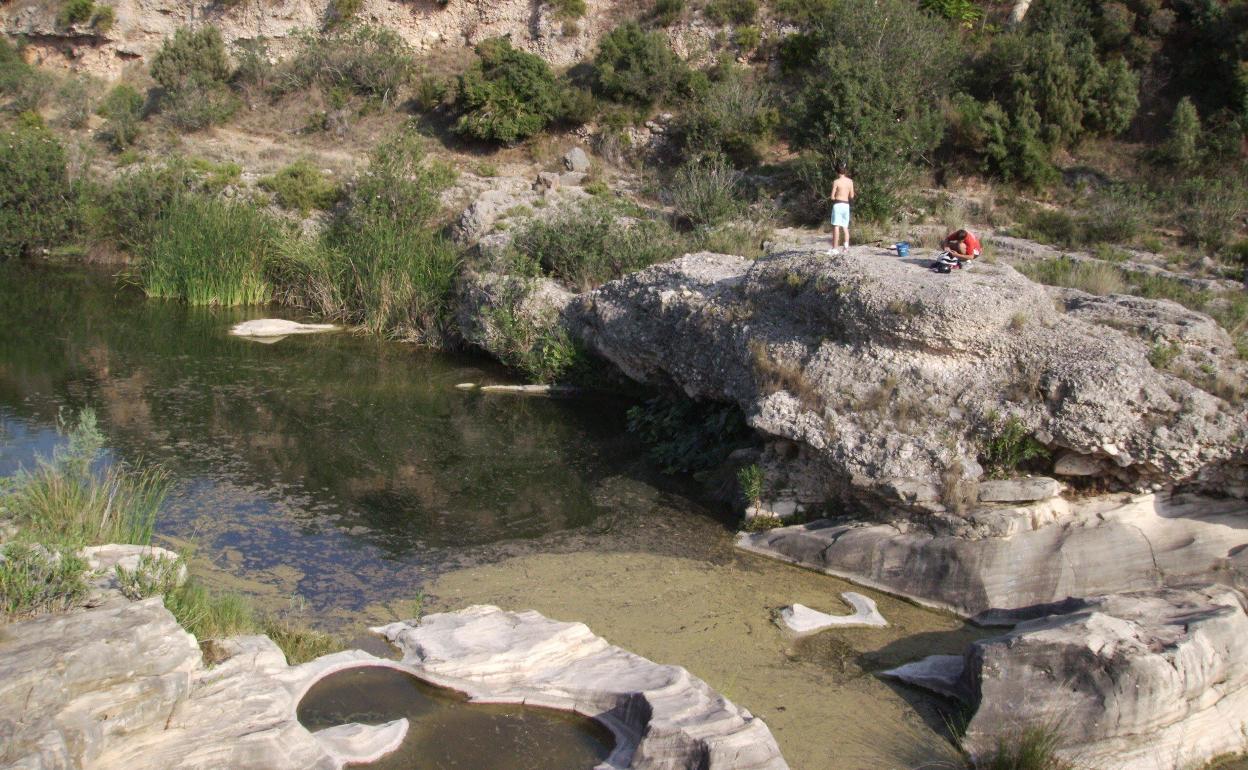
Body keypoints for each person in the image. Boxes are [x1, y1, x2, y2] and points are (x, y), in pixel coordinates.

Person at [827, 164, 854, 255]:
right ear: (845, 171)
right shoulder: (850, 181)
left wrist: (835, 197)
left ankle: (835, 248)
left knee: (836, 226)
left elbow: (832, 196)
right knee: (845, 226)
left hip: (838, 204)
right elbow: (852, 195)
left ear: (837, 172)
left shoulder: (836, 182)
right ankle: (846, 247)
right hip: (846, 205)